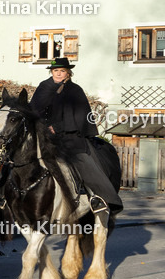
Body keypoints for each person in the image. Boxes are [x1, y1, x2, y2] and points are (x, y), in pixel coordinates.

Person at [29, 57, 122, 215]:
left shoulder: (74, 90)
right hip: (42, 134)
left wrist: (57, 127)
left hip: (68, 135)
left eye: (62, 71)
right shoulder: (43, 87)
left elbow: (80, 116)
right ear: (52, 72)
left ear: (68, 73)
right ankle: (3, 193)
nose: (58, 74)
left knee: (81, 159)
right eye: (56, 71)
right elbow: (33, 111)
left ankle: (96, 196)